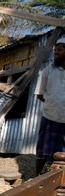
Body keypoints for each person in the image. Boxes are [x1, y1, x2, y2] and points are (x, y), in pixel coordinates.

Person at [36, 36, 65, 174]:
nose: (56, 53)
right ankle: (36, 176)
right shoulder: (47, 71)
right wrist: (52, 103)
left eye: (59, 50)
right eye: (55, 50)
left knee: (62, 154)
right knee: (43, 151)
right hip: (50, 117)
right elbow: (40, 94)